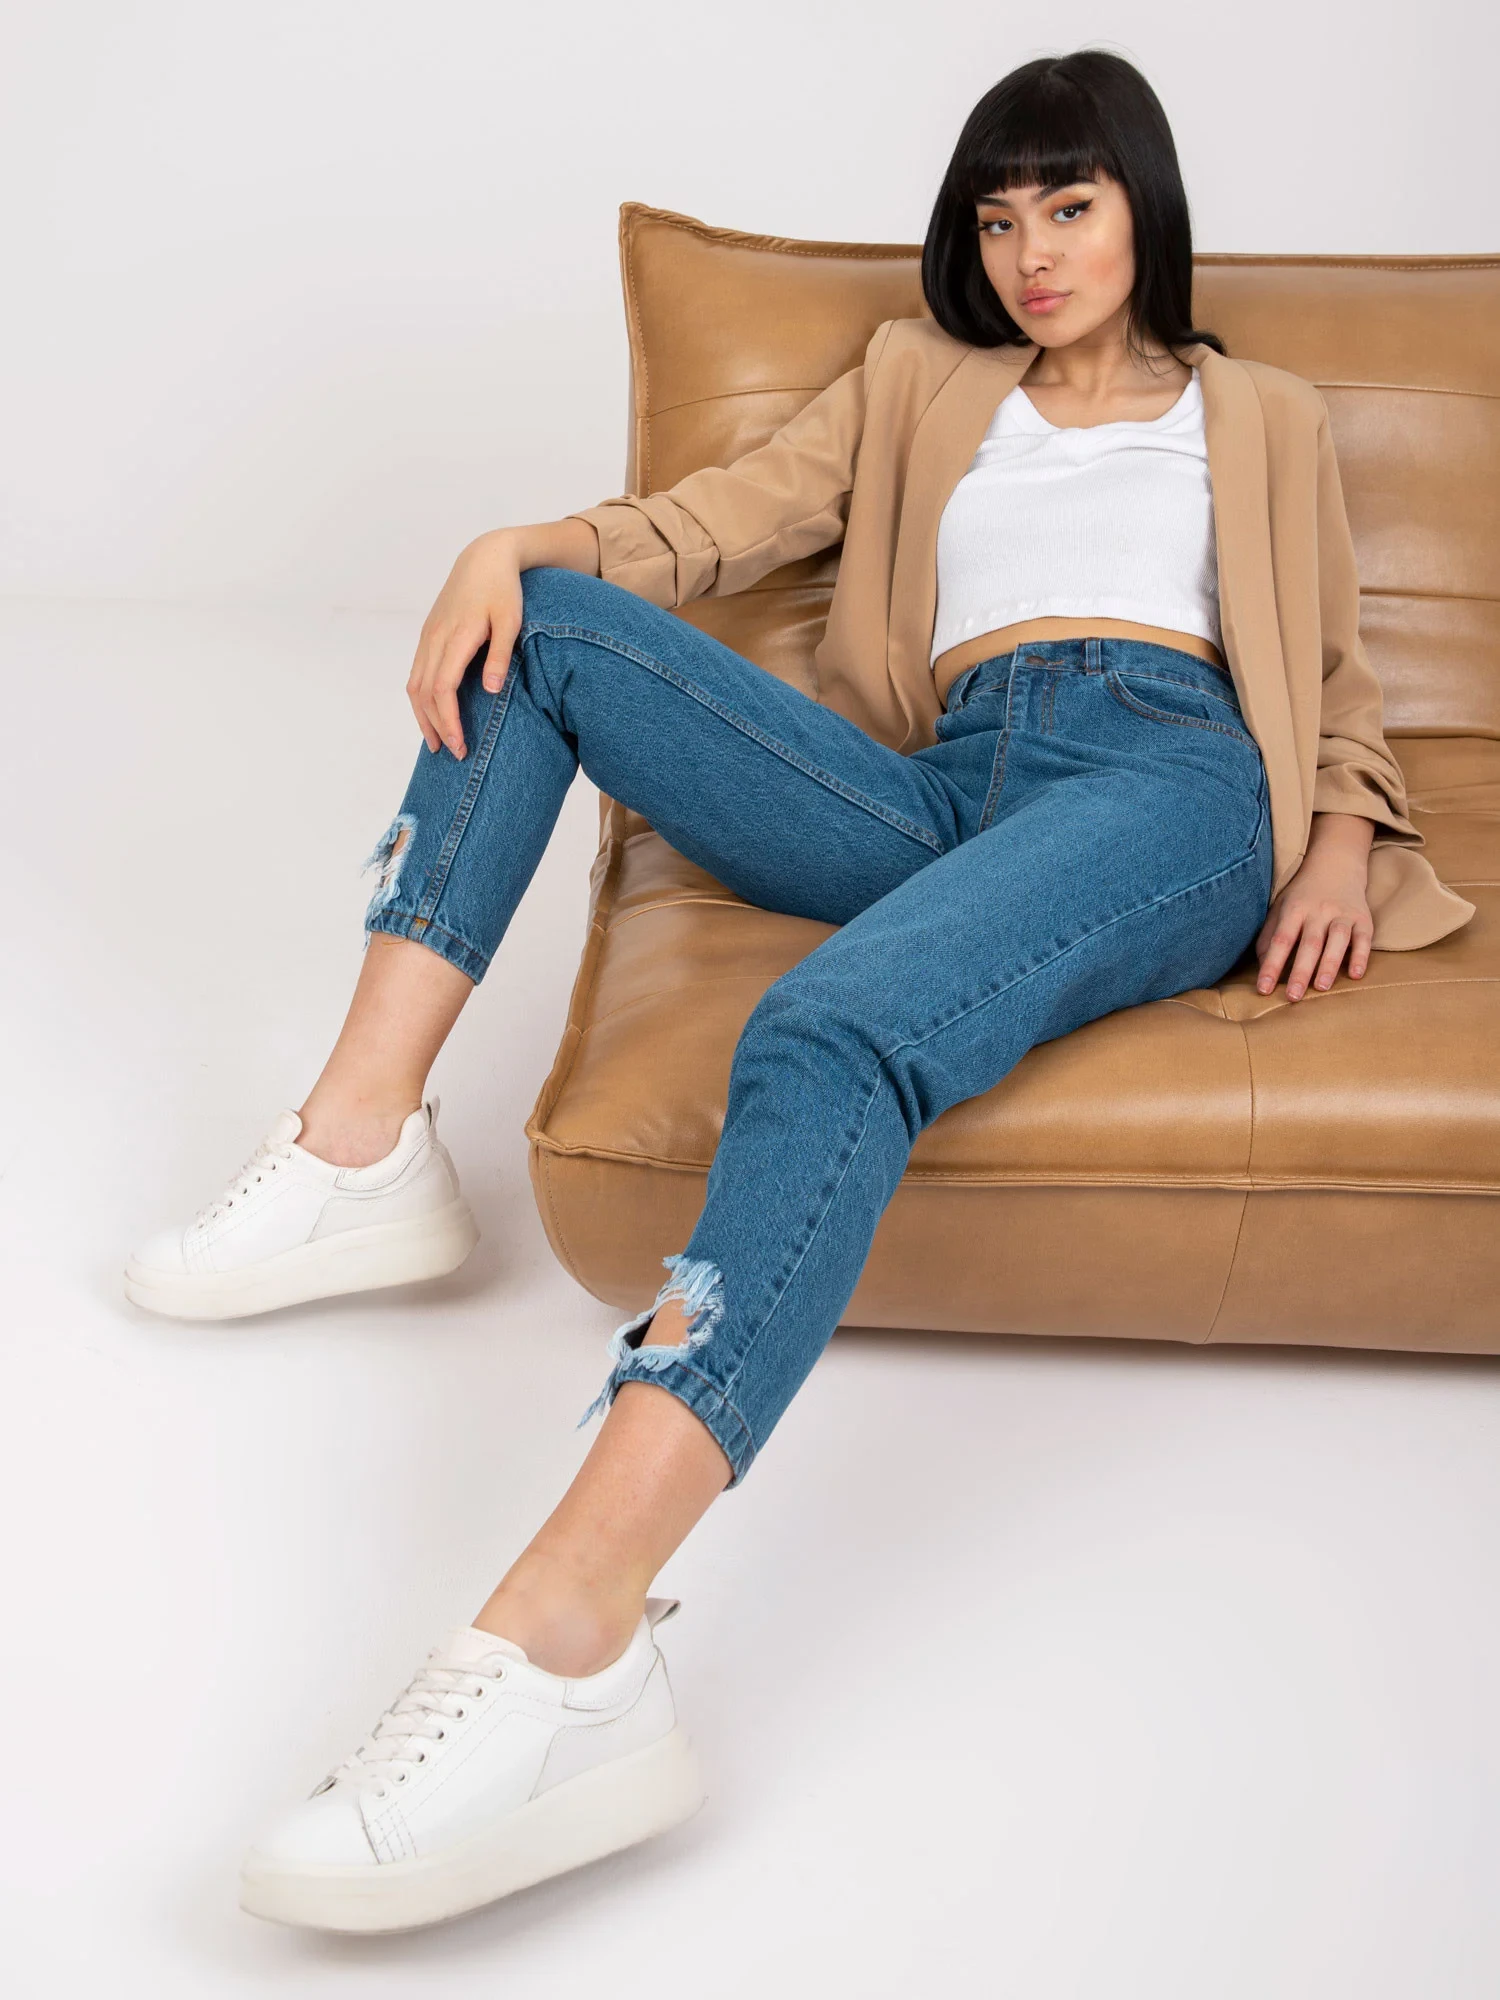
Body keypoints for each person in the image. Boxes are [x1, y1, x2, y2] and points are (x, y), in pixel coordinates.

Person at [124, 48, 1440, 1935]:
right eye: (999, 217)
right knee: (541, 632)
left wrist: (1332, 842)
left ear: (1143, 207)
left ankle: (573, 1648)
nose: (1033, 252)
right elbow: (722, 518)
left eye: (1070, 207)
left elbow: (1336, 679)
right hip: (944, 784)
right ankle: (359, 1149)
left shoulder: (1263, 416)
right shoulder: (919, 378)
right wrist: (521, 545)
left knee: (825, 1029)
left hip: (1165, 785)